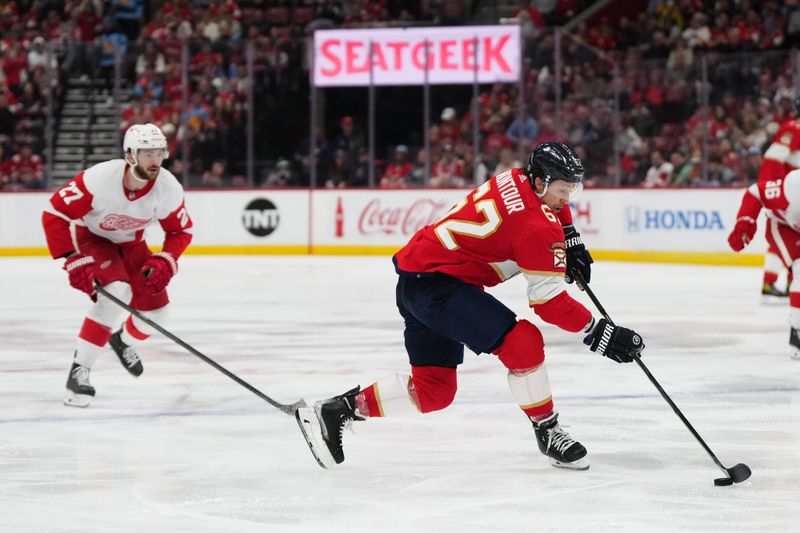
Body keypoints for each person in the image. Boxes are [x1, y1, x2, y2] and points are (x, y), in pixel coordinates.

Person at [296, 142, 645, 469]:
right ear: (540, 182)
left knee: (435, 391)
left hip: (415, 284)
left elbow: (546, 209)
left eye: (571, 190)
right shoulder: (539, 228)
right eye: (562, 191)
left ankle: (336, 410)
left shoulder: (513, 177)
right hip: (441, 291)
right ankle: (548, 430)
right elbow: (548, 301)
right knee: (523, 343)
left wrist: (570, 237)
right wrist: (599, 332)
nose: (566, 198)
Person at [41, 123, 193, 407]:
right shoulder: (99, 179)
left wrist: (166, 258)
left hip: (133, 245)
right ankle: (80, 371)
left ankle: (123, 341)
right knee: (117, 291)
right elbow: (54, 212)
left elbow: (180, 231)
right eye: (147, 153)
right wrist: (71, 258)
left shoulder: (168, 187)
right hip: (94, 239)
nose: (155, 160)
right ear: (131, 155)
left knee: (158, 313)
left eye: (159, 152)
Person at [728, 167, 800, 360]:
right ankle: (797, 332)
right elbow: (756, 192)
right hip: (783, 227)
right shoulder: (793, 185)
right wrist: (745, 221)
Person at [748, 101, 800, 299]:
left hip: (791, 193)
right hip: (789, 194)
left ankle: (782, 282)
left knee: (789, 238)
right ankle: (776, 282)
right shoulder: (794, 129)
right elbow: (773, 158)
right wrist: (773, 189)